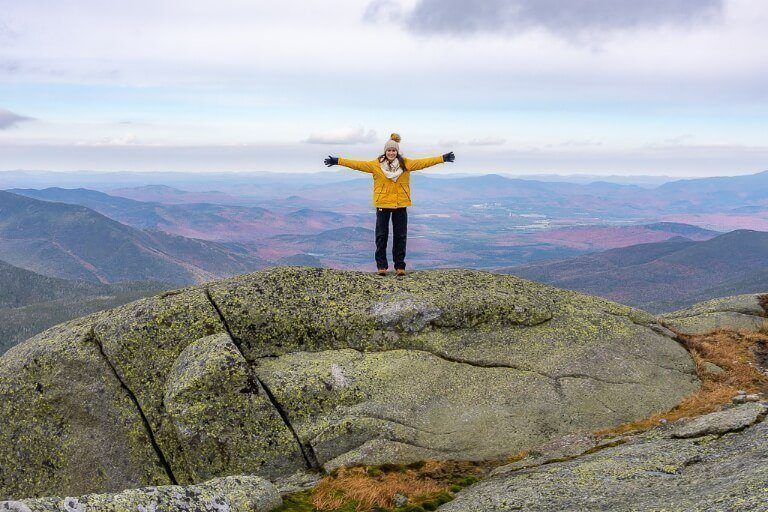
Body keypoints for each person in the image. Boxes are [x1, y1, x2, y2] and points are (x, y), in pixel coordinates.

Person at [324, 133, 455, 276]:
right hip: (382, 204)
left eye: (394, 150)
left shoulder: (406, 164)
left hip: (400, 204)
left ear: (397, 152)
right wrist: (338, 160)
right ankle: (381, 266)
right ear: (385, 152)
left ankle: (400, 266)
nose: (391, 153)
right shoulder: (375, 165)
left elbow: (424, 162)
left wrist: (442, 158)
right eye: (389, 150)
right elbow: (357, 164)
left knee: (400, 236)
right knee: (381, 235)